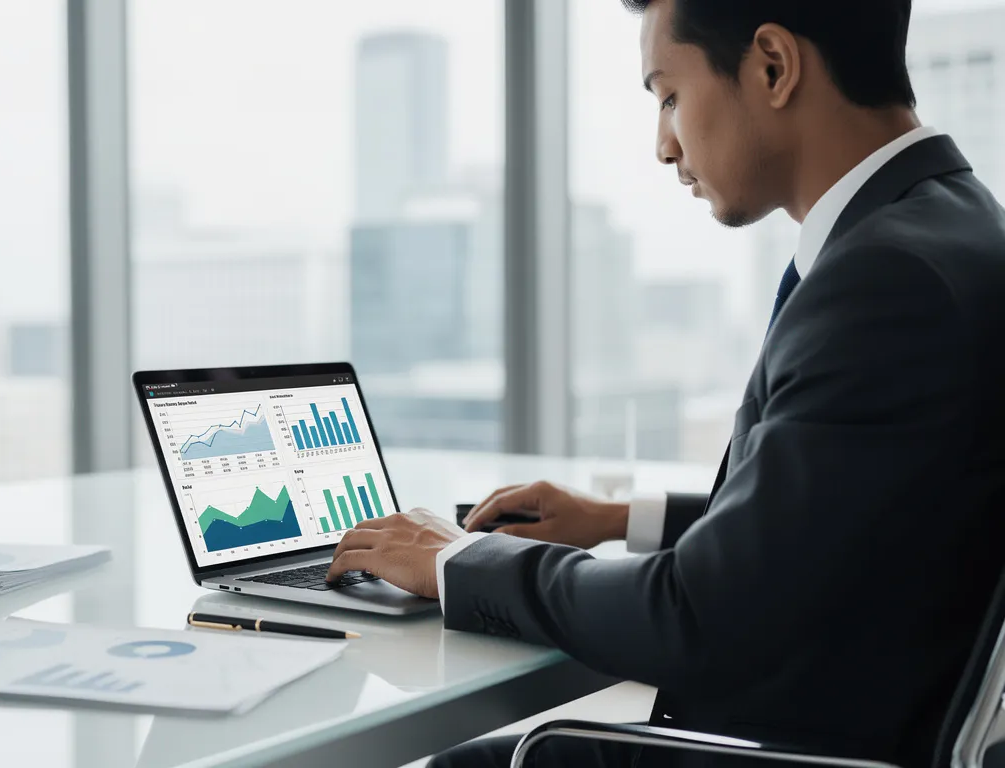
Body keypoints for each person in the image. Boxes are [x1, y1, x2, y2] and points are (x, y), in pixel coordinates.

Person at [324, 0, 1005, 765]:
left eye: (669, 95)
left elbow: (701, 619)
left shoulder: (887, 280)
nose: (662, 144)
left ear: (773, 66)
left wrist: (458, 564)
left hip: (789, 746)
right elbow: (833, 521)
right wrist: (618, 519)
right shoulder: (951, 229)